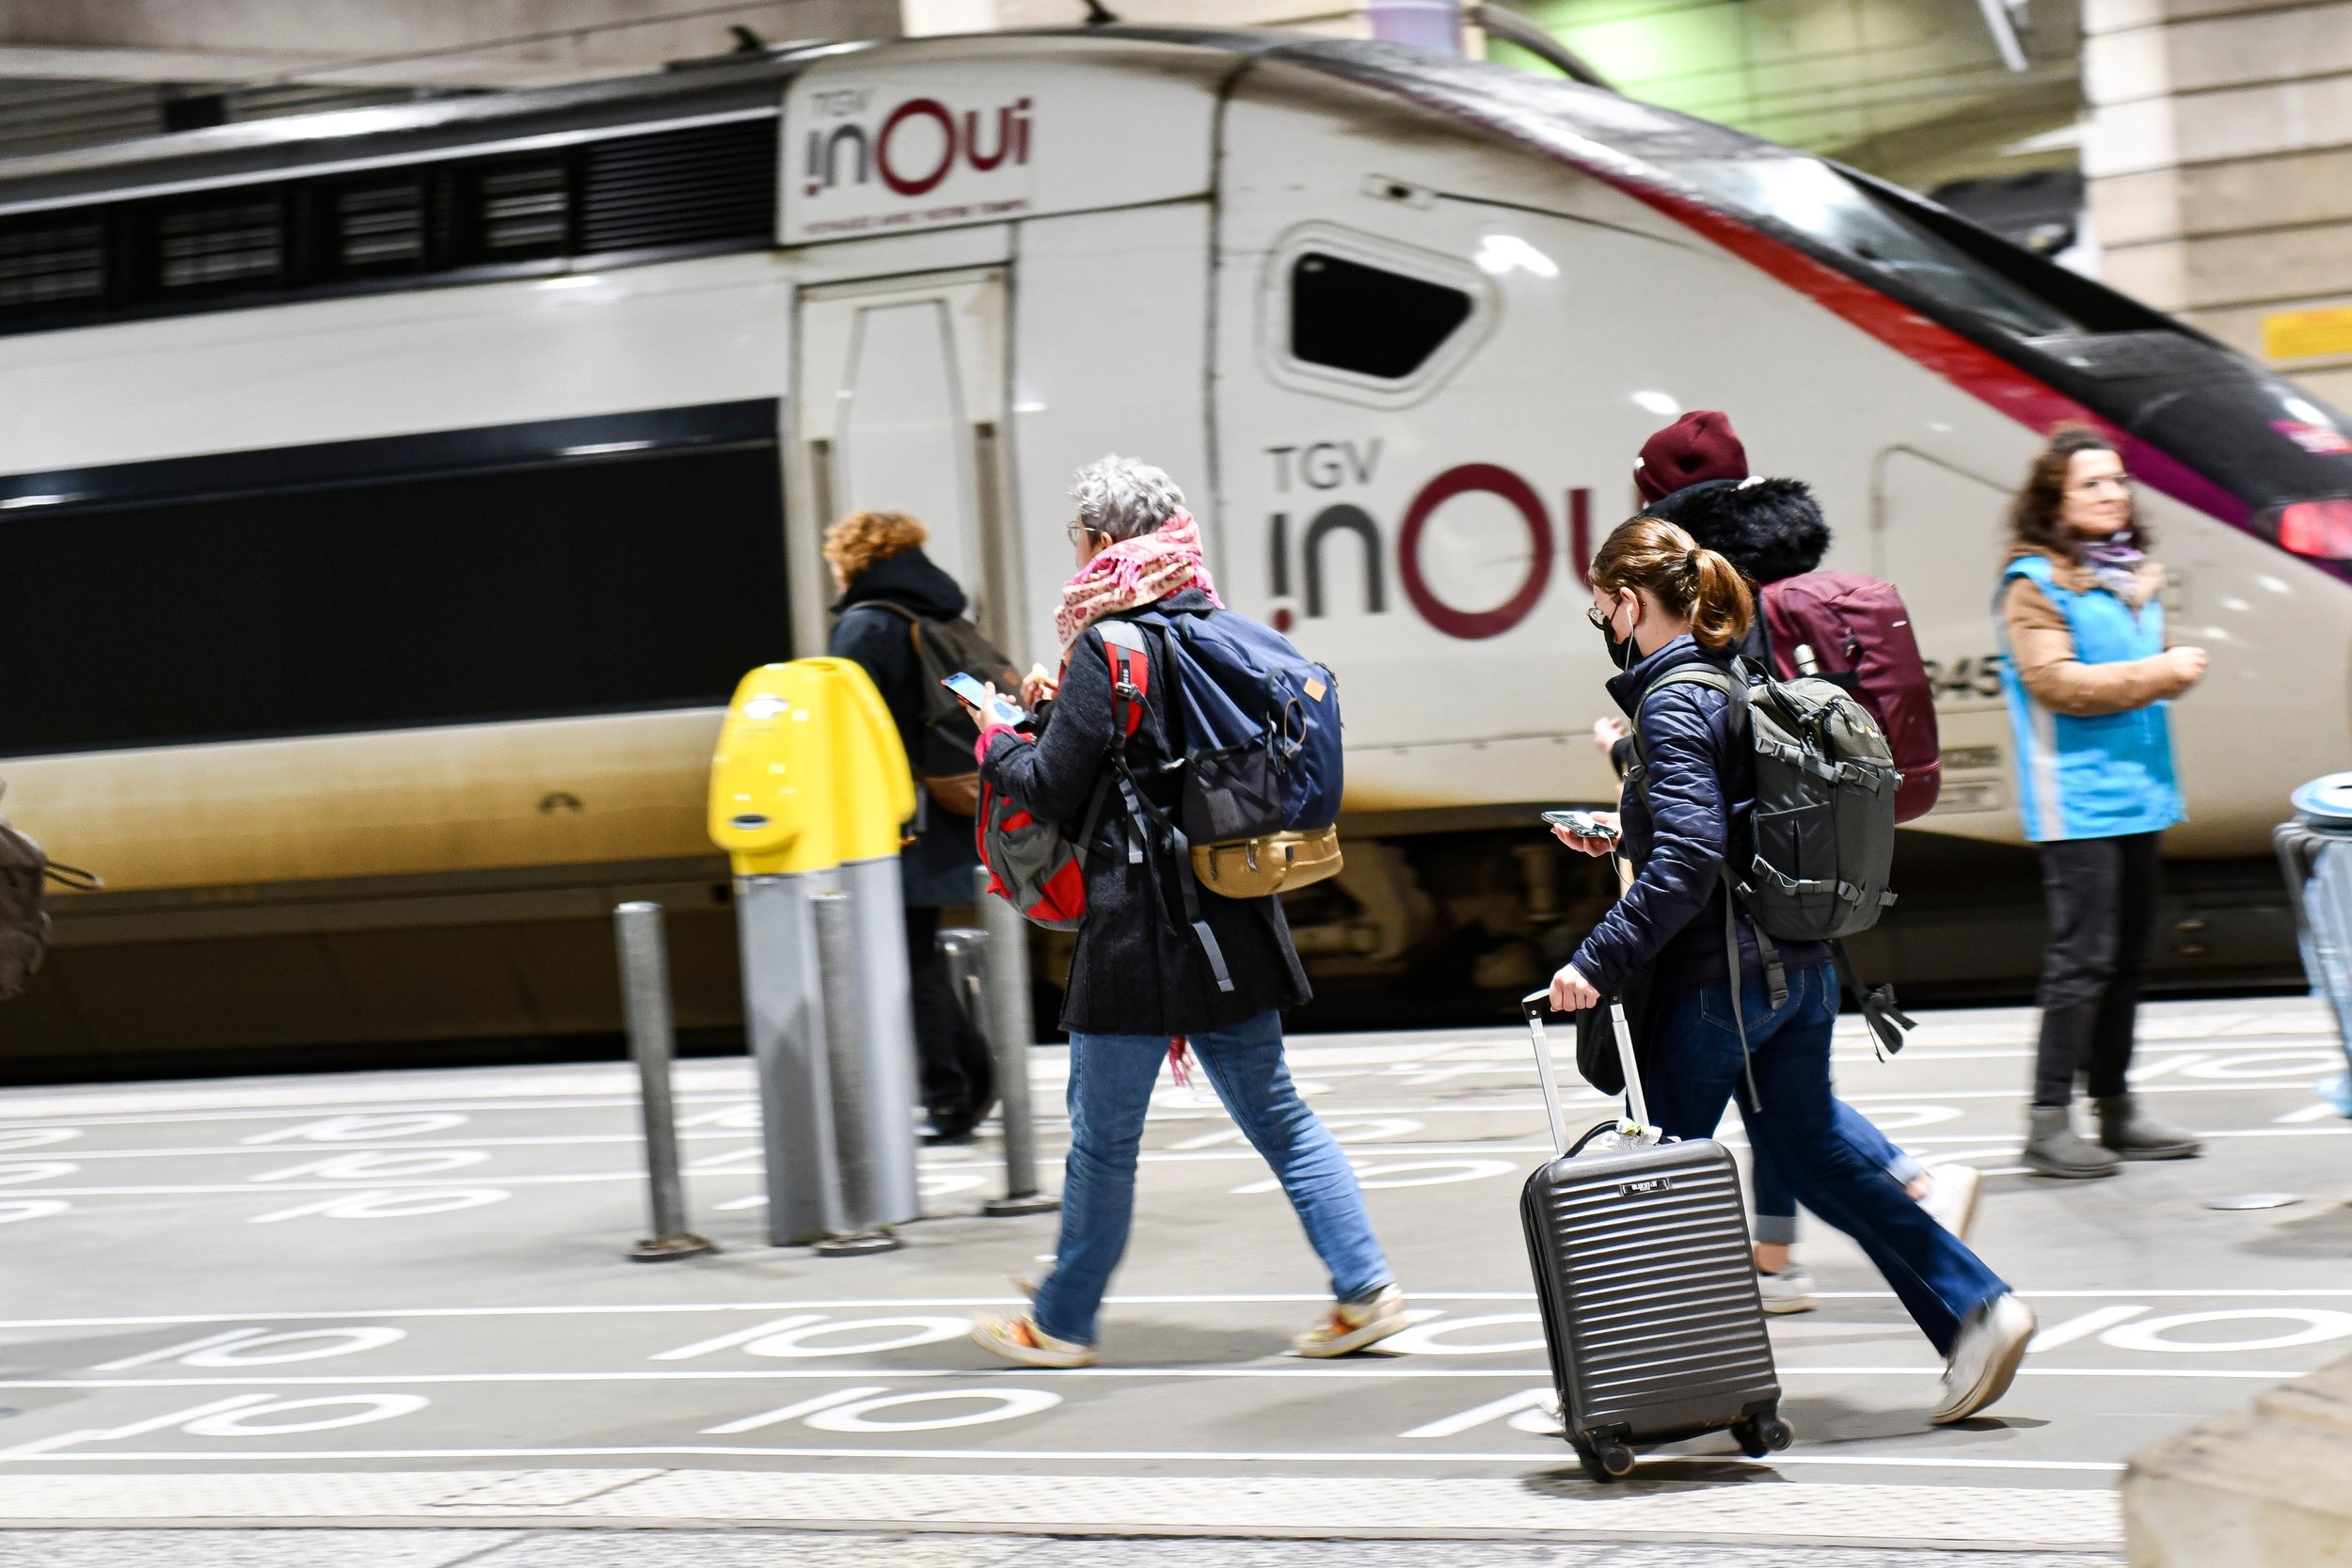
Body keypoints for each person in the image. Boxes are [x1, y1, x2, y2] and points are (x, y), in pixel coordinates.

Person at [1550, 514, 2033, 1424]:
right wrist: (1623, 830)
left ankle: (1646, 1393)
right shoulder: (1741, 673)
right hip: (1799, 971)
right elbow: (1731, 828)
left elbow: (1691, 856)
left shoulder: (1667, 700)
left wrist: (1597, 955)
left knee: (1662, 1183)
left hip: (1710, 992)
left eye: (1598, 608)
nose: (1602, 624)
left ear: (1623, 601)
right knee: (1813, 1153)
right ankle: (1978, 1306)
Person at [965, 455, 1404, 1369]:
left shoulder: (1108, 643)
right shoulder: (1205, 623)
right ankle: (1365, 1288)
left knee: (1102, 1136)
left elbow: (1049, 786)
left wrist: (997, 738)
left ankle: (1061, 1318)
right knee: (1279, 1111)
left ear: (1097, 540)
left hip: (1138, 929)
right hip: (1229, 906)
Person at [1603, 414, 1981, 1314]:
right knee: (1791, 1124)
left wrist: (1597, 950)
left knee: (1664, 1157)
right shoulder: (1781, 581)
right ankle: (1927, 1287)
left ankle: (1654, 1359)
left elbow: (1715, 792)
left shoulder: (1703, 620)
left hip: (1726, 938)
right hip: (1798, 922)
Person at [1997, 425, 2208, 1178]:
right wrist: (2161, 671)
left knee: (2125, 959)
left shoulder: (2130, 577)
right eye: (2092, 483)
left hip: (2141, 794)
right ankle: (2048, 1118)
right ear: (2054, 500)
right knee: (2080, 960)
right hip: (2077, 800)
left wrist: (2155, 670)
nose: (2113, 492)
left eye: (2117, 479)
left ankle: (2115, 1106)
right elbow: (2056, 682)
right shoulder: (2034, 583)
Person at [824, 510, 995, 1145]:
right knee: (914, 948)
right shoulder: (942, 616)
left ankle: (952, 1092)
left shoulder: (866, 626)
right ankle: (965, 1083)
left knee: (905, 955)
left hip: (893, 816)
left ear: (854, 559)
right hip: (942, 807)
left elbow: (844, 728)